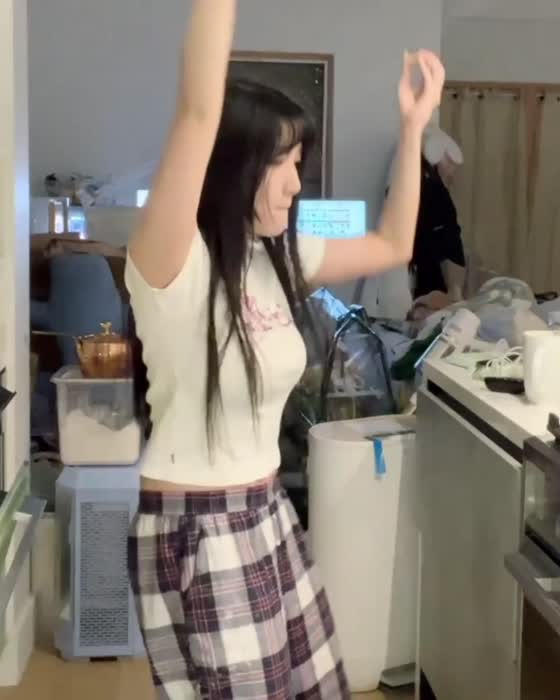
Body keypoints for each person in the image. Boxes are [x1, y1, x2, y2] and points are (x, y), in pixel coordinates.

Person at [125, 1, 444, 697]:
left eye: (299, 162)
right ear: (234, 164)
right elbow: (198, 112)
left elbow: (394, 244)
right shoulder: (171, 259)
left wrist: (412, 127)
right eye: (282, 163)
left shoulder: (278, 256)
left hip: (268, 511)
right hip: (199, 525)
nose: (297, 183)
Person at [411, 126, 466, 303]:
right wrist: (455, 291)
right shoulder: (434, 192)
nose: (452, 171)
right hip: (429, 280)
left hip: (416, 274)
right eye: (450, 165)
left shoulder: (416, 185)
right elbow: (448, 243)